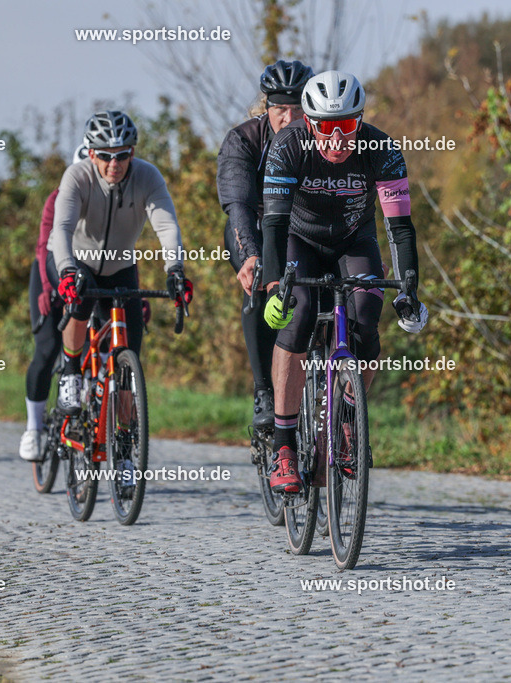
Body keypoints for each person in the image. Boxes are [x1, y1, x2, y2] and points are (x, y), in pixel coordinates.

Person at [260, 71, 429, 492]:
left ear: (360, 120)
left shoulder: (381, 149)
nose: (337, 139)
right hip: (299, 240)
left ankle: (348, 419)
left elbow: (400, 229)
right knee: (298, 315)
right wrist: (274, 287)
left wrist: (408, 288)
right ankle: (283, 447)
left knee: (366, 316)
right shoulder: (288, 146)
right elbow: (274, 225)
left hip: (355, 240)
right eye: (326, 128)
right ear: (309, 122)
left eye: (348, 126)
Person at [20, 144, 154, 460]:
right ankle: (34, 429)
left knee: (113, 335)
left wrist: (137, 294)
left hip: (96, 275)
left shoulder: (115, 197)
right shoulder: (61, 197)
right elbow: (46, 244)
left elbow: (123, 253)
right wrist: (48, 290)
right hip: (56, 274)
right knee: (47, 348)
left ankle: (101, 396)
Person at [49, 110, 189, 415]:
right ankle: (71, 372)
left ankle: (125, 438)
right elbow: (62, 228)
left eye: (122, 155)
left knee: (130, 349)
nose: (114, 164)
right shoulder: (77, 176)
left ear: (132, 153)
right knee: (80, 299)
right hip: (76, 259)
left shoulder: (148, 177)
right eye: (105, 156)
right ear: (91, 154)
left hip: (120, 266)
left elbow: (166, 226)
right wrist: (67, 270)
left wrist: (175, 269)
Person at [217, 59, 313, 429]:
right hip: (254, 227)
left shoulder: (322, 140)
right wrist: (250, 255)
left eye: (297, 109)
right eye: (280, 109)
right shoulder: (243, 140)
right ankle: (263, 391)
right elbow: (238, 205)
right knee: (259, 280)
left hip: (303, 229)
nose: (289, 118)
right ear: (266, 107)